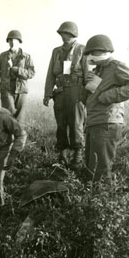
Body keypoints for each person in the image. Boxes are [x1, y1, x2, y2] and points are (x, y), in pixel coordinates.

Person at [83, 34, 129, 181]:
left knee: (101, 171)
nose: (90, 57)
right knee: (92, 168)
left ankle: (103, 200)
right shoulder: (98, 70)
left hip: (107, 123)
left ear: (103, 51)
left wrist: (107, 96)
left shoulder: (116, 66)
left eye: (92, 53)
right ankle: (94, 201)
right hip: (95, 122)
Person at [43, 21, 87, 166]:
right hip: (60, 92)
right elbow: (50, 74)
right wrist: (47, 94)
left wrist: (88, 95)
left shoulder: (82, 50)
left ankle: (77, 154)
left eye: (67, 34)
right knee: (61, 124)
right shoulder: (56, 51)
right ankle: (62, 154)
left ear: (74, 34)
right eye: (62, 34)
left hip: (76, 91)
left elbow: (89, 74)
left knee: (76, 124)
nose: (64, 37)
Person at [0, 30, 35, 124]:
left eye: (14, 40)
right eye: (10, 41)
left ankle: (18, 138)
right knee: (8, 116)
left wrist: (18, 70)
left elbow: (32, 73)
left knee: (19, 118)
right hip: (6, 89)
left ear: (19, 42)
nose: (12, 43)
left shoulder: (26, 57)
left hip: (21, 91)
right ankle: (8, 138)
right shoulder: (3, 56)